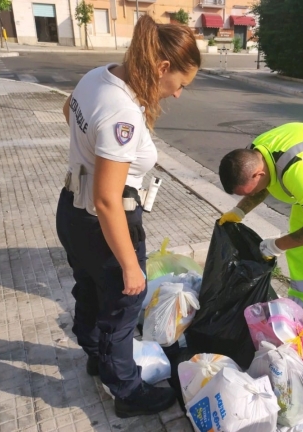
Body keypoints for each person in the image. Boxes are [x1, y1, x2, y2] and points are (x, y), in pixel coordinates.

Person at [56, 15, 200, 418]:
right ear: (162, 68)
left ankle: (94, 356)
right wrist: (130, 267)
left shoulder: (98, 77)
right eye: (181, 84)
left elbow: (68, 109)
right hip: (105, 221)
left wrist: (88, 156)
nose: (177, 95)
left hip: (70, 211)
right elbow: (106, 200)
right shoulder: (123, 113)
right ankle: (126, 391)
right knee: (123, 306)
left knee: (87, 289)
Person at [218, 122, 303, 373]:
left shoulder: (294, 171)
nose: (253, 193)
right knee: (301, 260)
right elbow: (263, 185)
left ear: (257, 174)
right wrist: (240, 210)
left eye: (249, 191)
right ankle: (296, 322)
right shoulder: (256, 154)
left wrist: (277, 245)